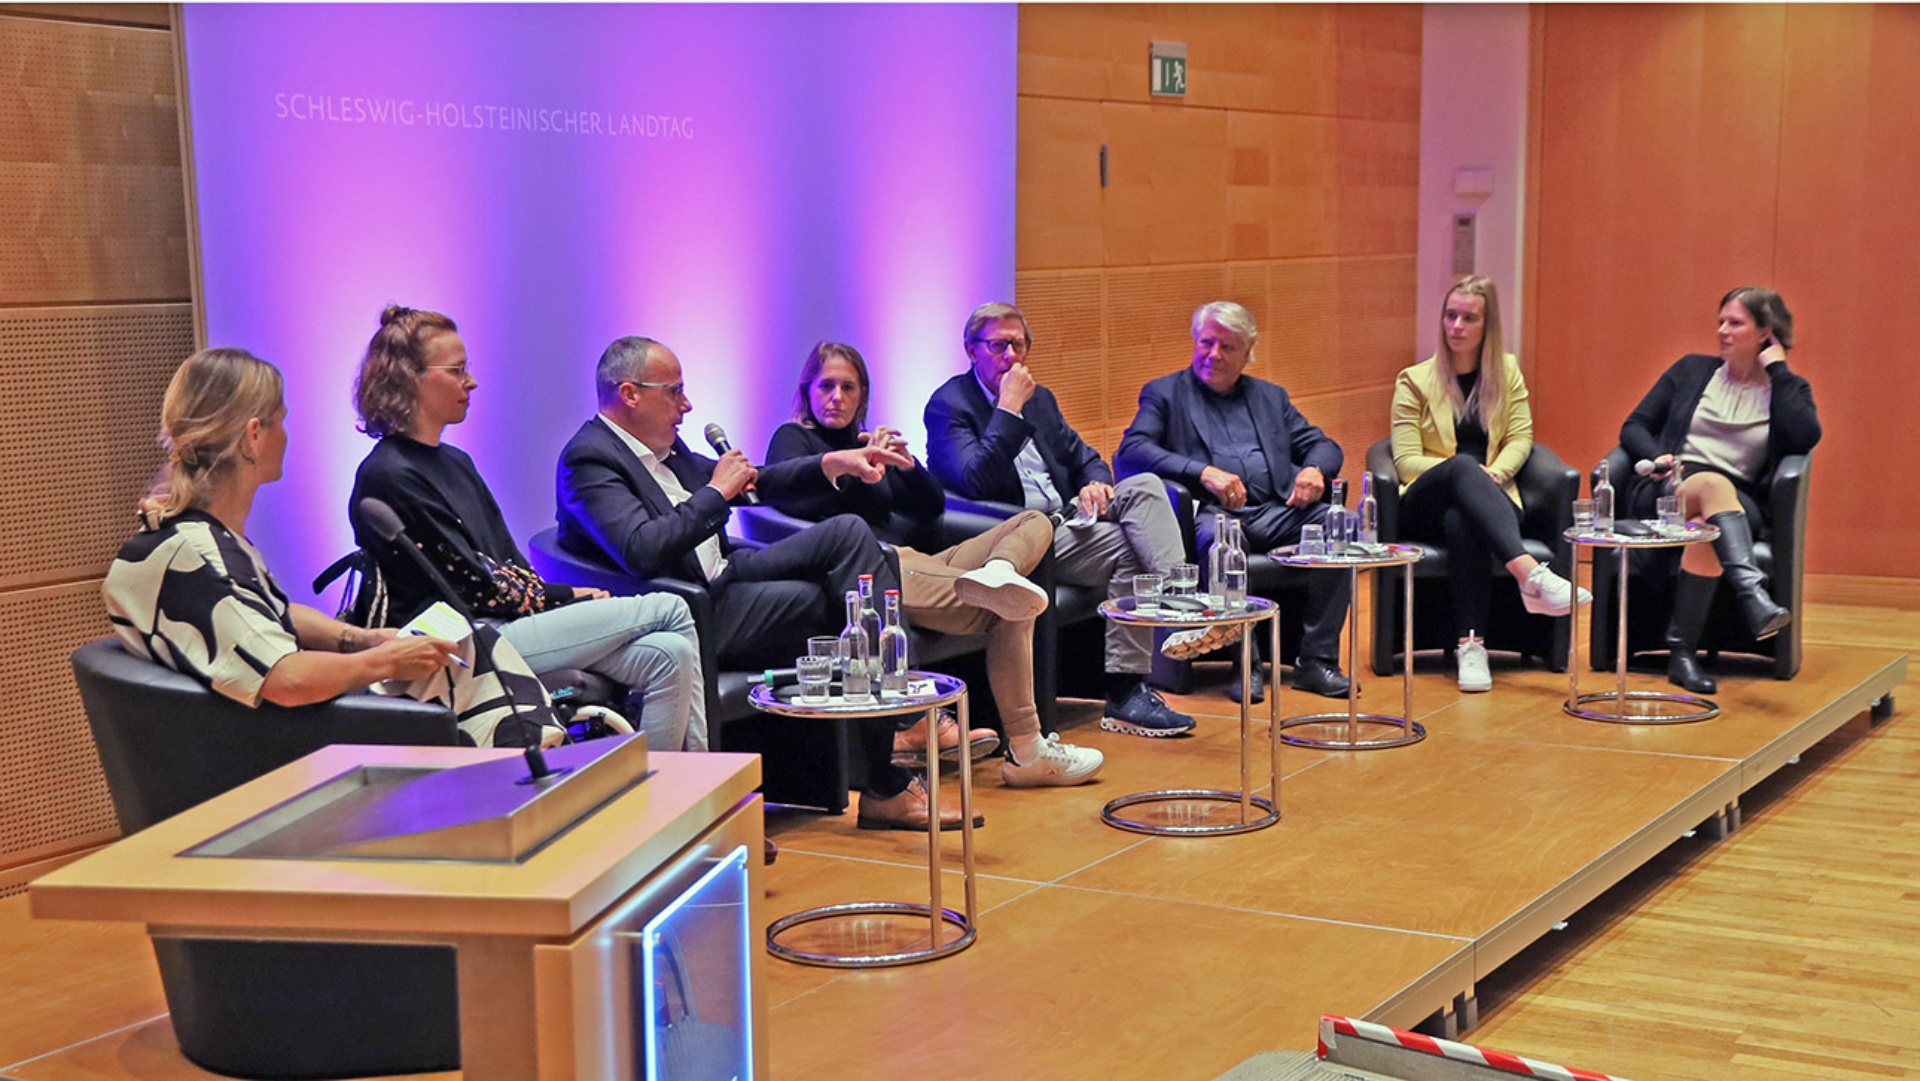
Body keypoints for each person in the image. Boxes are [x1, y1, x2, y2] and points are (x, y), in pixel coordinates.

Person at [555, 335, 981, 830]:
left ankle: (894, 735)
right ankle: (888, 771)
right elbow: (642, 548)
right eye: (674, 391)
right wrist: (716, 492)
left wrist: (830, 464)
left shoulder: (665, 451)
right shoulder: (589, 460)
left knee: (849, 535)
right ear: (630, 394)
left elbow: (756, 479)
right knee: (840, 610)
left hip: (726, 577)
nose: (686, 404)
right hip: (689, 611)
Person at [105, 347, 563, 749]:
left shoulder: (188, 539)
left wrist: (357, 638)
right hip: (285, 747)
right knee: (472, 649)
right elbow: (285, 678)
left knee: (460, 643)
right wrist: (381, 659)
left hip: (267, 730)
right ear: (253, 436)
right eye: (281, 420)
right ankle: (533, 778)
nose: (286, 434)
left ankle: (524, 771)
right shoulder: (200, 556)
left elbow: (269, 615)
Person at [347, 306, 705, 753]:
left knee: (670, 655)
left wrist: (555, 599)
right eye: (457, 371)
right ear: (410, 378)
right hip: (465, 646)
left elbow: (506, 566)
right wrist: (568, 596)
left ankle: (661, 799)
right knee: (670, 608)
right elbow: (474, 589)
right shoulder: (389, 475)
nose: (471, 382)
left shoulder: (456, 462)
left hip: (507, 624)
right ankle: (698, 778)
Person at [766, 341, 1104, 788]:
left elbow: (930, 508)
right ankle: (1027, 750)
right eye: (826, 386)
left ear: (862, 395)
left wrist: (905, 468)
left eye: (848, 388)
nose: (837, 397)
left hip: (921, 560)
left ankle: (998, 570)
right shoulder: (793, 439)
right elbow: (780, 490)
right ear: (807, 390)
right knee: (1013, 605)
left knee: (1033, 521)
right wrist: (847, 467)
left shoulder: (867, 441)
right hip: (876, 570)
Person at [926, 302, 1200, 738]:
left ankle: (1180, 602)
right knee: (1130, 552)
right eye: (998, 345)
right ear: (970, 350)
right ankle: (1129, 690)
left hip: (1071, 520)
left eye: (1019, 345)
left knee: (1145, 485)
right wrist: (1008, 410)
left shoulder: (1043, 399)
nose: (1011, 357)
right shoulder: (949, 405)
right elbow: (973, 481)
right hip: (1018, 537)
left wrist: (1094, 483)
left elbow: (1085, 458)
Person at [1115, 300, 1356, 700]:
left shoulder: (1270, 398)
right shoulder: (1164, 394)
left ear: (1248, 353)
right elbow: (1132, 451)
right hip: (1211, 515)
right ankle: (1245, 662)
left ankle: (1317, 661)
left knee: (1338, 521)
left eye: (1227, 347)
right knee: (1223, 539)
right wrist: (1202, 472)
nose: (1213, 355)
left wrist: (1315, 469)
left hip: (1277, 512)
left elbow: (1322, 444)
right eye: (1206, 343)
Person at [1389, 276, 1589, 692]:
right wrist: (1470, 470)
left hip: (1492, 500)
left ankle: (1472, 646)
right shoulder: (1414, 380)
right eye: (1450, 316)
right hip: (1423, 501)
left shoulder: (1507, 373)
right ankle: (1530, 575)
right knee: (1463, 467)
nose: (1456, 326)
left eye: (1468, 318)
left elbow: (1520, 438)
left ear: (1487, 325)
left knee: (1464, 521)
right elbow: (1406, 462)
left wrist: (1495, 474)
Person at [1620, 286, 1820, 694]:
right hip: (1670, 488)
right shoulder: (1691, 370)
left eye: (1735, 323)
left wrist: (1778, 371)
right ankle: (1753, 594)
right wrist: (1659, 457)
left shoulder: (1788, 389)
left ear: (1765, 332)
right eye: (1721, 321)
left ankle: (1681, 654)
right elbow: (1634, 426)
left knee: (1705, 529)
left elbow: (1804, 438)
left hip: (1734, 501)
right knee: (1709, 485)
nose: (1722, 331)